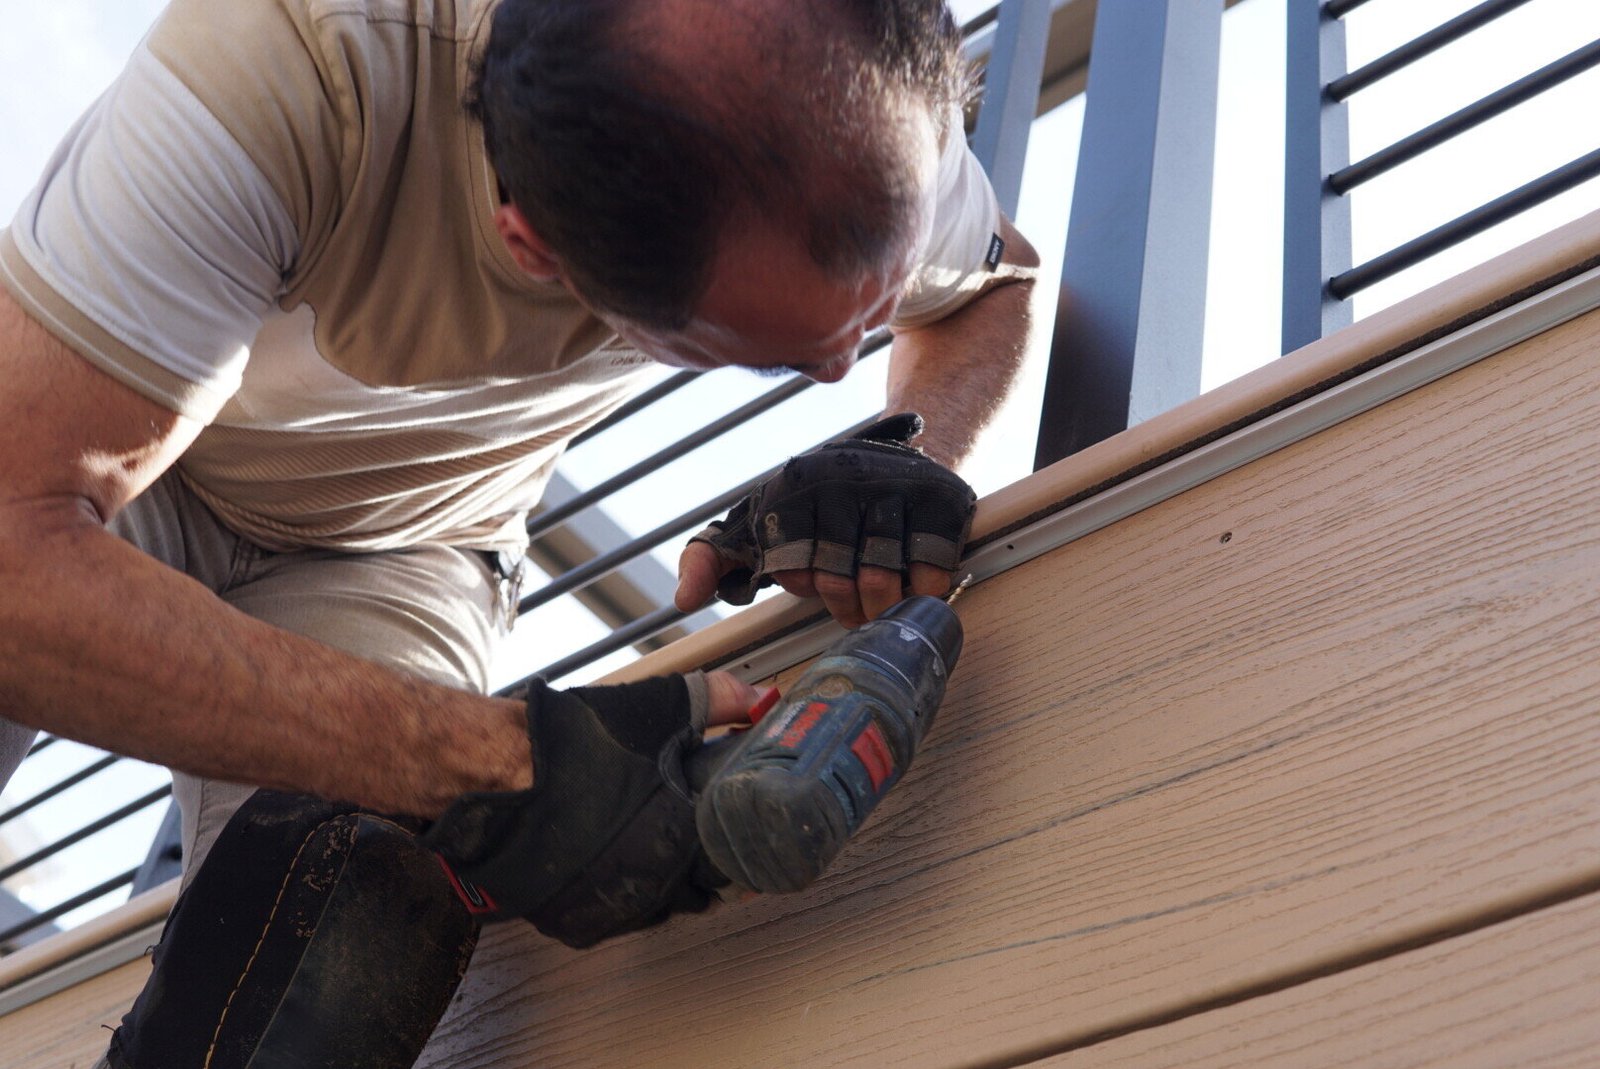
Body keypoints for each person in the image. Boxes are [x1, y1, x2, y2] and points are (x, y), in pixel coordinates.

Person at [0, 0, 1037, 1063]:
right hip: (124, 446)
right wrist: (497, 765)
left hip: (412, 539)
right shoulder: (295, 63)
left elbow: (991, 290)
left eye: (856, 325)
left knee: (347, 921)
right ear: (534, 250)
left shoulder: (859, 109)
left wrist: (911, 448)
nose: (835, 370)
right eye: (760, 355)